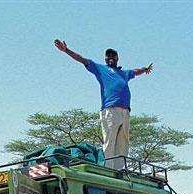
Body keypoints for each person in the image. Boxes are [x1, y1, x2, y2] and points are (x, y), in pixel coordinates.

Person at [54, 39, 153, 169]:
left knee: (123, 142)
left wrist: (145, 69)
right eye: (108, 56)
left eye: (113, 56)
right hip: (110, 110)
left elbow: (136, 71)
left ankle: (119, 170)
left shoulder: (123, 73)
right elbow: (82, 59)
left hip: (125, 111)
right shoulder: (101, 69)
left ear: (117, 58)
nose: (110, 57)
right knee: (110, 140)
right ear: (106, 59)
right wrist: (66, 50)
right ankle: (108, 169)